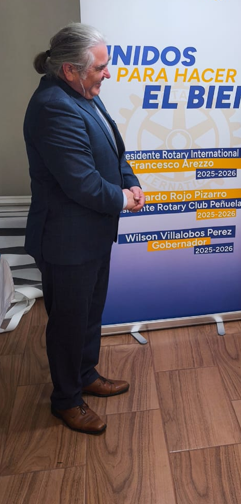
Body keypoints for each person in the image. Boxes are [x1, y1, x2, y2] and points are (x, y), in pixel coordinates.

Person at [24, 23, 145, 434]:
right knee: (68, 323)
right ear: (70, 70)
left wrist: (130, 181)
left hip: (93, 234)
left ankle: (85, 375)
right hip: (67, 241)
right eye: (100, 67)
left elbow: (114, 148)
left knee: (90, 314)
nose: (108, 73)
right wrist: (124, 200)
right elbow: (82, 182)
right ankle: (66, 400)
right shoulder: (52, 107)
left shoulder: (84, 93)